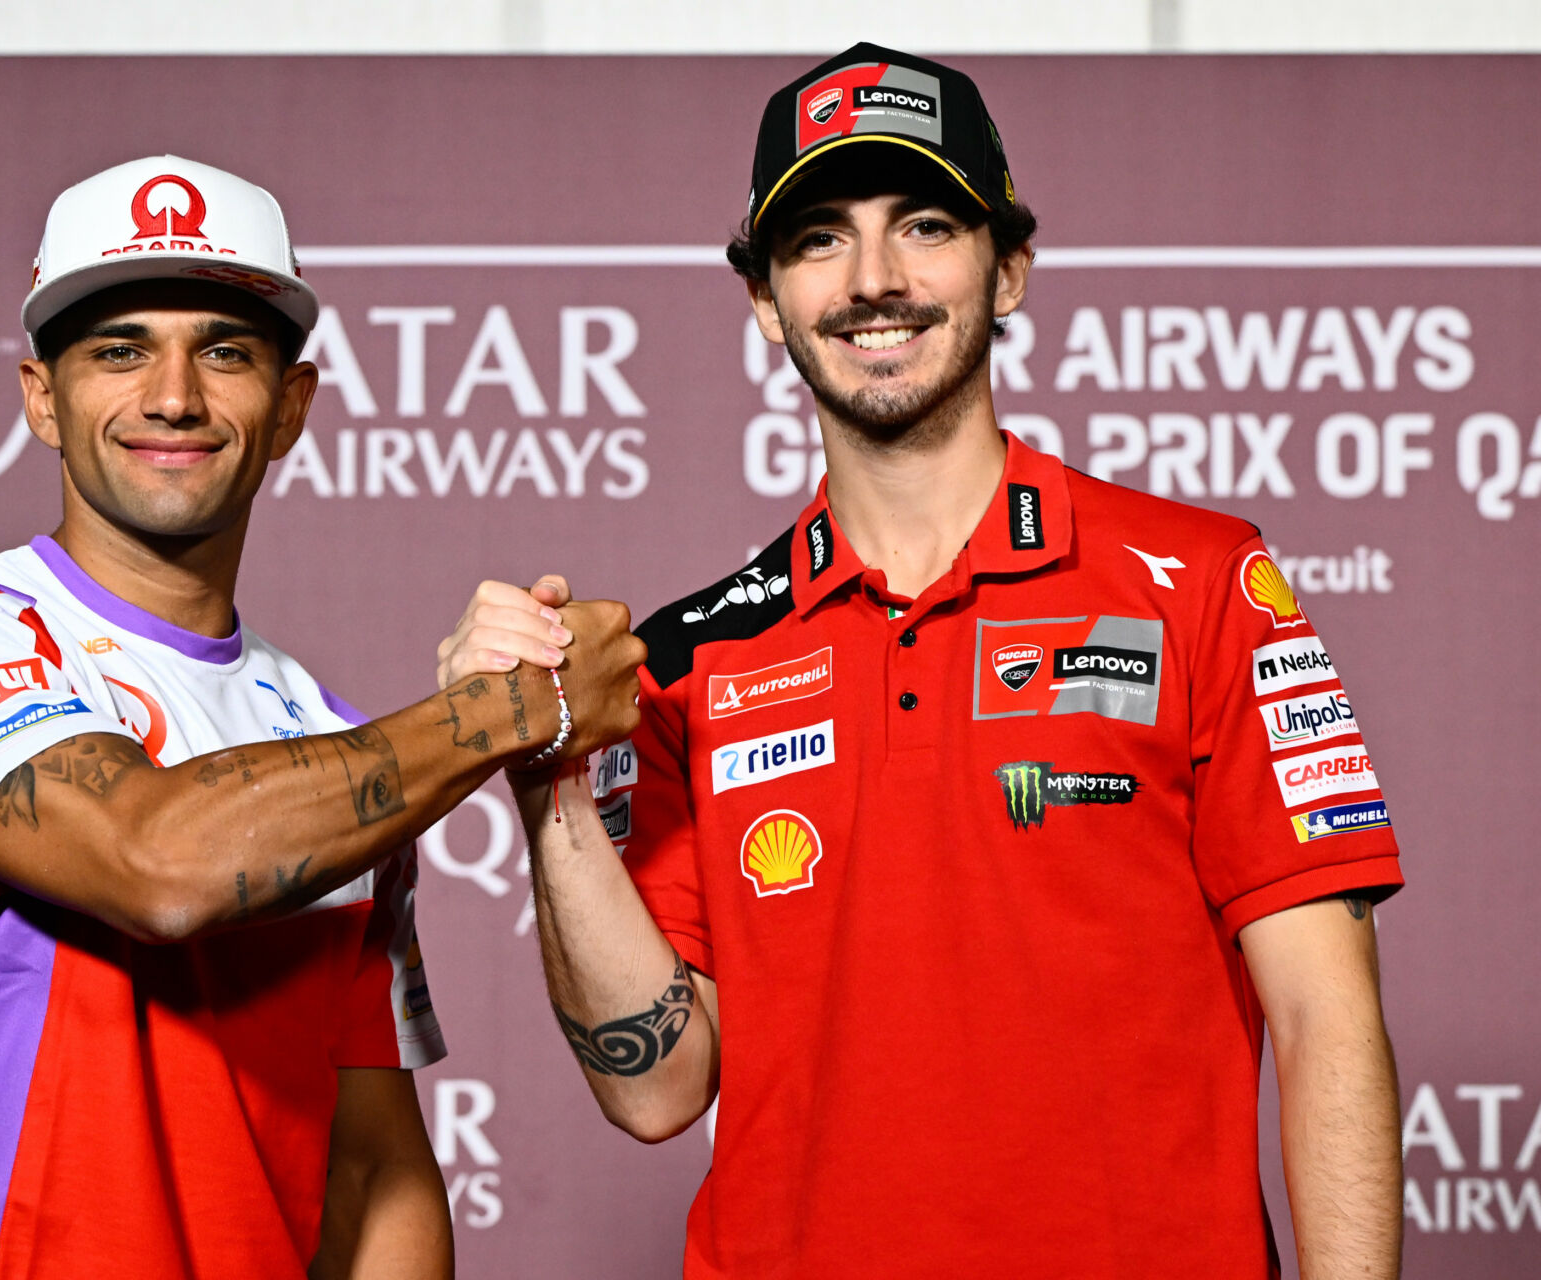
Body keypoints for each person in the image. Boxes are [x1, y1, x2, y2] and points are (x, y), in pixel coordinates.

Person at [438, 45, 1404, 1279]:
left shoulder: (1204, 581)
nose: (875, 280)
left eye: (927, 224)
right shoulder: (687, 658)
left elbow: (1329, 1016)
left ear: (1009, 271)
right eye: (821, 240)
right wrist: (552, 775)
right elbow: (659, 1085)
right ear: (763, 299)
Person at [0, 154, 643, 1279]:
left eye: (226, 351)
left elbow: (370, 1167)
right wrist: (508, 710)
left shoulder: (326, 738)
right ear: (41, 398)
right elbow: (158, 863)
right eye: (118, 349)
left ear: (290, 407)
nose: (174, 396)